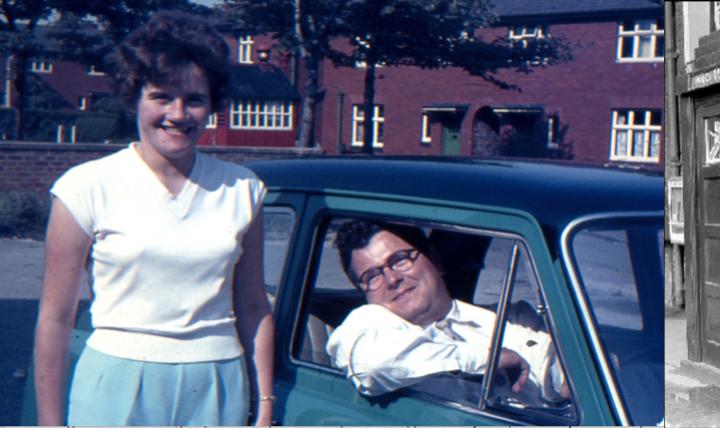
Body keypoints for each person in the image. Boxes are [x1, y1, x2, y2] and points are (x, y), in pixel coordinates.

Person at [32, 11, 274, 426]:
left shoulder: (243, 189)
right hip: (116, 384)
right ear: (135, 96)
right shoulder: (86, 187)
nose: (178, 115)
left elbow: (252, 306)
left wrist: (265, 406)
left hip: (217, 384)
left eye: (194, 99)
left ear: (212, 106)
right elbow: (56, 318)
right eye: (162, 96)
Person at [325, 219, 569, 402]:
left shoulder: (513, 319)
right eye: (372, 276)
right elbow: (373, 365)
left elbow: (560, 373)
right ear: (364, 292)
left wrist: (567, 380)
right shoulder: (365, 327)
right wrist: (488, 358)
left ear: (435, 260)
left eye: (400, 260)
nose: (391, 279)